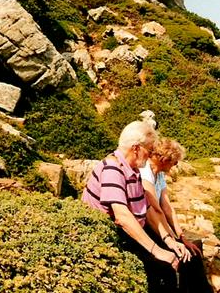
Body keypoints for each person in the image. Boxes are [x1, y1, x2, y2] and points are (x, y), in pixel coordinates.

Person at [82, 120, 186, 292]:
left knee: (171, 262)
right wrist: (156, 250)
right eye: (150, 150)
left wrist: (169, 240)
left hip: (128, 235)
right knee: (164, 269)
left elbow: (149, 209)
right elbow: (122, 216)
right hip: (112, 239)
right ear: (137, 148)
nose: (152, 154)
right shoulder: (112, 169)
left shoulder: (132, 169)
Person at [140, 137, 213, 293]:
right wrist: (172, 240)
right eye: (174, 161)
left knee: (194, 249)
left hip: (159, 226)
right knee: (184, 256)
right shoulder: (145, 172)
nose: (176, 165)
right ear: (165, 159)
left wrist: (181, 236)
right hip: (149, 226)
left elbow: (166, 206)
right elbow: (155, 209)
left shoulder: (159, 174)